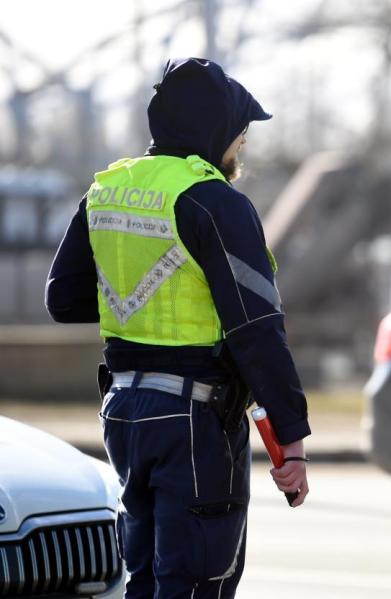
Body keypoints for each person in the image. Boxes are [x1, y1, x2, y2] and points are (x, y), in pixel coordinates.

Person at [45, 57, 310, 599]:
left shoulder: (106, 190)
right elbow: (256, 328)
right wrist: (293, 439)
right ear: (219, 133)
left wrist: (138, 299)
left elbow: (63, 298)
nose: (243, 149)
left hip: (123, 415)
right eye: (241, 136)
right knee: (194, 585)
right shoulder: (214, 201)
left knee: (141, 581)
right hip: (195, 423)